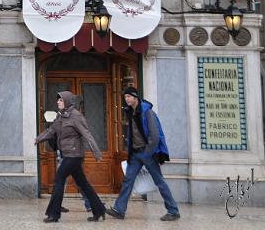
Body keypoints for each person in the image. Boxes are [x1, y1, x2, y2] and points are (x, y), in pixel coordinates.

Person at [107, 87, 180, 222]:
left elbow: (155, 136)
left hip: (148, 154)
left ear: (135, 97)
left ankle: (173, 211)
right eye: (125, 97)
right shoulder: (130, 112)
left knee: (159, 181)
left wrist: (147, 153)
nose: (126, 99)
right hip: (135, 154)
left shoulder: (148, 112)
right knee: (128, 181)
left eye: (129, 96)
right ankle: (119, 210)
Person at [35, 91, 106, 223]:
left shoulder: (76, 116)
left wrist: (96, 152)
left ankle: (54, 214)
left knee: (59, 179)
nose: (58, 102)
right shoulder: (60, 116)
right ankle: (99, 209)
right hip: (67, 154)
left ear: (67, 101)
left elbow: (87, 134)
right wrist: (38, 139)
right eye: (58, 100)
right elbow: (51, 131)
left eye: (60, 100)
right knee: (83, 184)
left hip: (74, 155)